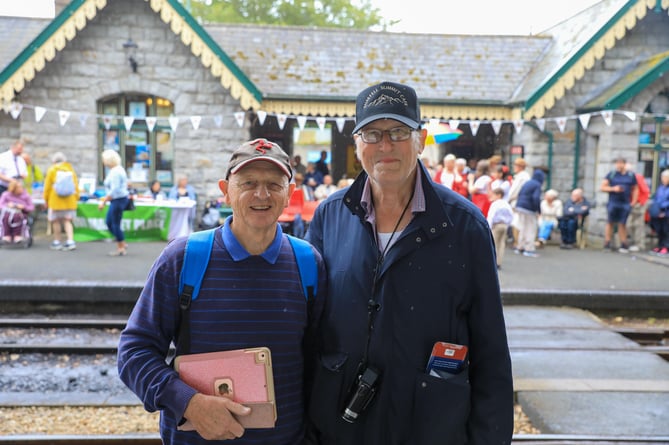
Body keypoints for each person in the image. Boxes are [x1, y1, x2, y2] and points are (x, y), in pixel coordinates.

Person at [304, 81, 513, 445]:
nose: (385, 145)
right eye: (372, 133)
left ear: (421, 138)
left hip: (430, 428)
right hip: (342, 427)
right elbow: (308, 330)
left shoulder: (464, 226)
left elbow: (491, 350)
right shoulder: (330, 216)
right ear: (356, 143)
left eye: (398, 132)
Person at [117, 138, 326, 445]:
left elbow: (319, 363)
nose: (261, 194)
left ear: (289, 195)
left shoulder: (308, 263)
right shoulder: (184, 258)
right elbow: (133, 352)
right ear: (226, 191)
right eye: (248, 182)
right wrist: (188, 403)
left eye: (273, 184)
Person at [43, 151, 79, 251]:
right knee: (68, 220)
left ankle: (57, 241)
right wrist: (76, 197)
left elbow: (47, 187)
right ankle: (70, 241)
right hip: (69, 199)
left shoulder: (51, 170)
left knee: (56, 221)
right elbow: (75, 185)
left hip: (55, 200)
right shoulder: (70, 169)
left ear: (54, 161)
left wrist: (45, 199)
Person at [601, 157, 638, 253]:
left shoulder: (630, 175)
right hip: (613, 201)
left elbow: (635, 188)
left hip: (625, 202)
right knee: (610, 222)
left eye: (621, 163)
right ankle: (607, 242)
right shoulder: (612, 174)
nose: (619, 165)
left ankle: (624, 243)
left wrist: (633, 201)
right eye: (617, 163)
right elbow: (603, 187)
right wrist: (614, 189)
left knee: (623, 223)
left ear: (624, 164)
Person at [98, 149, 129, 256]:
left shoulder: (116, 172)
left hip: (118, 199)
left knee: (113, 223)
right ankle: (122, 242)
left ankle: (121, 246)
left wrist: (104, 201)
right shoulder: (118, 169)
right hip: (118, 199)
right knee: (112, 223)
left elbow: (114, 189)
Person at [514, 168, 545, 257]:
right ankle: (529, 249)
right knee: (531, 228)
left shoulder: (528, 183)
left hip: (520, 206)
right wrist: (538, 210)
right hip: (529, 208)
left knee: (523, 227)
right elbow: (536, 198)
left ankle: (520, 247)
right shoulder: (537, 185)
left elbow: (520, 193)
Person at [625, 162, 650, 252]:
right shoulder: (626, 179)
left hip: (639, 204)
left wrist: (641, 203)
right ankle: (633, 242)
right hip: (631, 204)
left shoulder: (638, 177)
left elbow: (646, 191)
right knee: (629, 225)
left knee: (638, 225)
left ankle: (639, 244)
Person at [487, 187, 514, 269]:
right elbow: (511, 215)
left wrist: (489, 226)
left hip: (496, 225)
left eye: (494, 195)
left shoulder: (495, 204)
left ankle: (492, 261)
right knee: (501, 244)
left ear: (499, 195)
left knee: (493, 243)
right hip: (504, 225)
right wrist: (508, 224)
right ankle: (499, 262)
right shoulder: (506, 204)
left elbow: (491, 216)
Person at [0, 179, 34, 243]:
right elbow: (1, 205)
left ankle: (17, 235)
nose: (21, 189)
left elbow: (31, 207)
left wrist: (24, 207)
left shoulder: (26, 196)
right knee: (6, 217)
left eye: (21, 187)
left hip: (21, 213)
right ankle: (6, 235)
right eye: (18, 187)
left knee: (17, 216)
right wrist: (8, 205)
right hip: (7, 213)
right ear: (13, 188)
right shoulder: (6, 195)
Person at [507, 157, 531, 247]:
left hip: (517, 201)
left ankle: (518, 242)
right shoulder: (524, 176)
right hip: (518, 201)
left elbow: (514, 190)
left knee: (517, 222)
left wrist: (508, 199)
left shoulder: (522, 176)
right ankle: (518, 242)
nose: (514, 167)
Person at [649, 169, 669, 256]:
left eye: (665, 177)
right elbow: (656, 198)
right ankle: (660, 246)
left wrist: (663, 209)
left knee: (666, 230)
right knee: (659, 230)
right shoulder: (660, 187)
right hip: (658, 213)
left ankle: (666, 247)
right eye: (662, 177)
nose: (663, 179)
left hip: (666, 213)